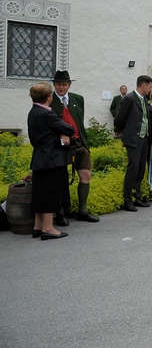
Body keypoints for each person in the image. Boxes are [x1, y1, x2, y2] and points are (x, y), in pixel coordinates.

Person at [50, 70, 100, 224]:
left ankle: (82, 211)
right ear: (54, 85)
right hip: (60, 146)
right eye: (58, 84)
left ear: (69, 85)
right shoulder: (49, 100)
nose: (61, 87)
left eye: (64, 84)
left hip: (78, 143)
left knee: (85, 175)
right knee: (60, 179)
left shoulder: (78, 99)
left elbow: (79, 119)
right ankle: (59, 212)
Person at [28, 82, 75, 240]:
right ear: (49, 97)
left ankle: (38, 226)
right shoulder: (47, 113)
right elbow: (70, 129)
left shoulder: (33, 111)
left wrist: (58, 133)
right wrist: (62, 133)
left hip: (40, 157)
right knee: (50, 193)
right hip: (51, 159)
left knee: (40, 193)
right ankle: (48, 228)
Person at [115, 75, 152, 212]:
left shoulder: (144, 99)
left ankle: (137, 196)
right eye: (150, 87)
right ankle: (127, 200)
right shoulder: (129, 98)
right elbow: (120, 117)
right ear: (144, 85)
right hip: (133, 138)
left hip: (144, 138)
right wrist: (120, 132)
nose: (151, 89)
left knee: (141, 168)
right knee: (133, 169)